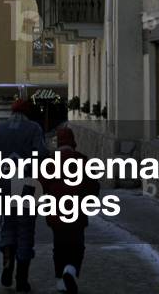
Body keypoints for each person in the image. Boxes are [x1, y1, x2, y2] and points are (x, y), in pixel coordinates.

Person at [0, 98, 48, 293]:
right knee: (25, 229)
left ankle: (7, 258)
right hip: (27, 185)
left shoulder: (0, 130)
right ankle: (22, 277)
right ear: (28, 112)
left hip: (4, 185)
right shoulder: (34, 129)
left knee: (8, 225)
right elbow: (42, 156)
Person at [40, 125, 100, 294]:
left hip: (56, 213)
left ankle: (60, 280)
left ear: (58, 143)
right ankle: (71, 271)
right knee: (77, 246)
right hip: (77, 212)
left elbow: (41, 185)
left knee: (59, 247)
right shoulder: (82, 160)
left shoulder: (50, 163)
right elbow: (92, 185)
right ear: (73, 142)